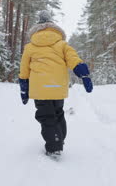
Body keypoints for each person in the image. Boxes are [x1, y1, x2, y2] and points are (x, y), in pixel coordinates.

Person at [18, 10, 93, 157]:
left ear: (37, 27)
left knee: (46, 117)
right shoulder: (62, 44)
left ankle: (54, 147)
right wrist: (83, 74)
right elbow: (73, 59)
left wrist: (24, 88)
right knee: (58, 114)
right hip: (58, 88)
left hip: (40, 90)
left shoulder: (30, 47)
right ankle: (59, 139)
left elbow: (24, 70)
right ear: (53, 26)